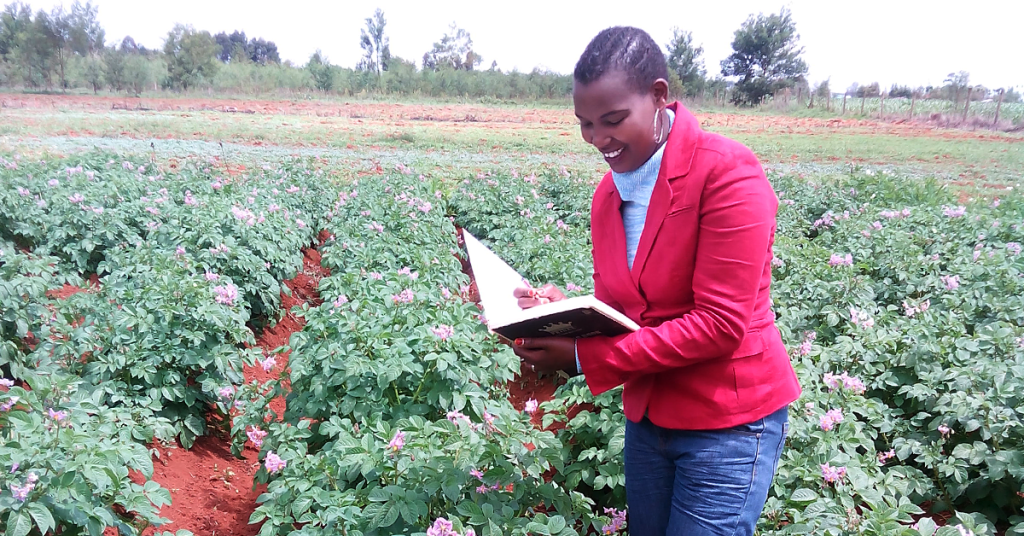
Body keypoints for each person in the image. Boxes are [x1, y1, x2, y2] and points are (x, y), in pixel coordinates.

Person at [511, 26, 801, 536]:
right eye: (585, 124)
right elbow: (624, 308)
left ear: (659, 96)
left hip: (727, 423)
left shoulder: (728, 174)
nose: (598, 139)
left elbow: (719, 325)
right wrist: (561, 312)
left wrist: (583, 357)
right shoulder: (609, 195)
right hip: (649, 419)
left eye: (613, 120)